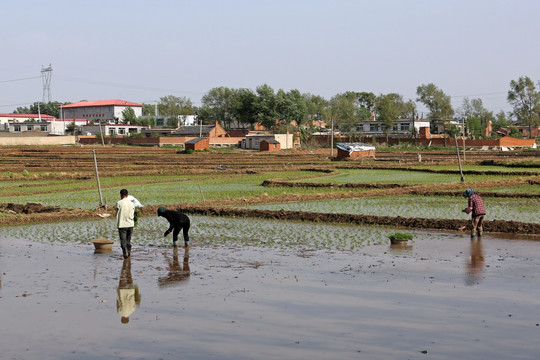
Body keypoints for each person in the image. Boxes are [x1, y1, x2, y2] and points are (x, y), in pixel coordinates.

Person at [116, 189, 135, 259]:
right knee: (128, 240)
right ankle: (129, 251)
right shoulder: (132, 203)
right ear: (127, 195)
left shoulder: (119, 203)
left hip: (122, 224)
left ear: (121, 195)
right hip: (130, 224)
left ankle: (125, 253)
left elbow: (117, 212)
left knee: (123, 240)